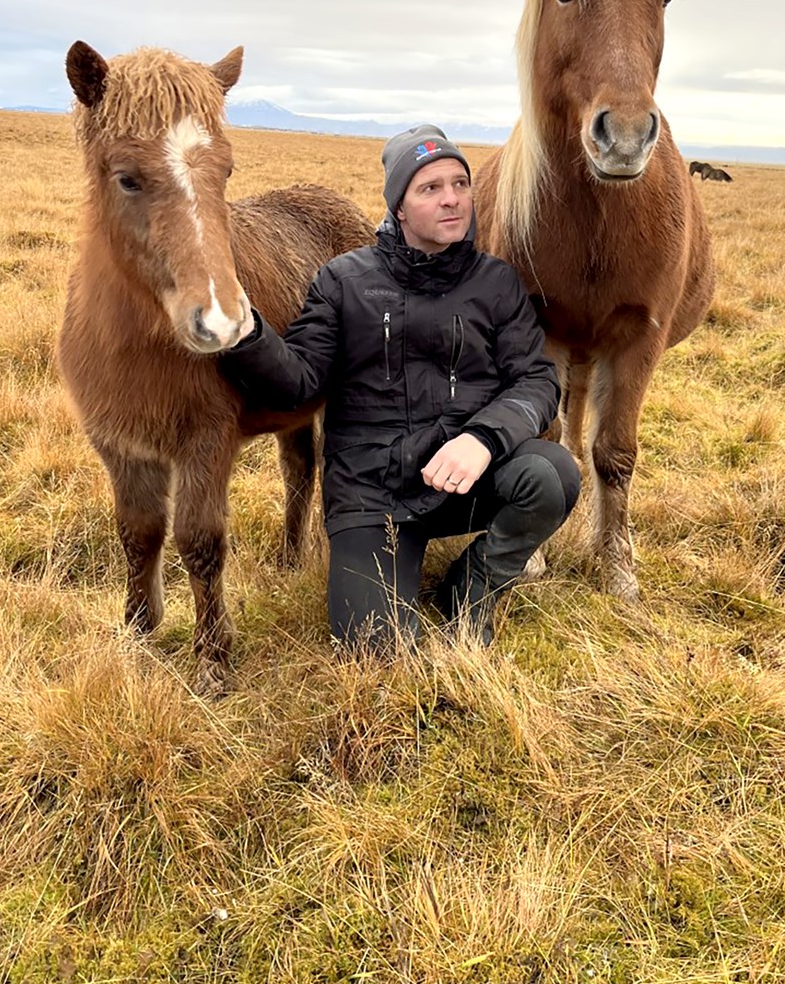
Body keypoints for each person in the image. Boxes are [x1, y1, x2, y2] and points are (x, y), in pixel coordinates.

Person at [218, 124, 580, 650]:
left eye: (460, 183)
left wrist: (482, 440)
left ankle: (472, 587)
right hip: (374, 495)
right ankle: (383, 575)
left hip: (462, 477)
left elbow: (536, 379)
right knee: (375, 644)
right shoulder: (343, 282)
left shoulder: (496, 283)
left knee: (551, 475)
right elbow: (299, 381)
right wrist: (247, 333)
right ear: (399, 208)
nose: (452, 199)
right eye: (430, 187)